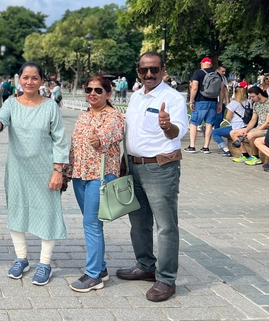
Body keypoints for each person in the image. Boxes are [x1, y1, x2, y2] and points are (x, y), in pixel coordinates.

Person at [0, 62, 69, 286]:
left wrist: (58, 170)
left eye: (34, 78)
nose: (29, 82)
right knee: (17, 212)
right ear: (18, 79)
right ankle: (21, 258)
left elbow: (60, 139)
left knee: (47, 213)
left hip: (45, 170)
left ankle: (45, 263)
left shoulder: (50, 107)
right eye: (25, 77)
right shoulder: (11, 104)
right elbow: (2, 123)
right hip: (18, 170)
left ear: (42, 81)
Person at [117, 51, 188, 303]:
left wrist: (167, 125)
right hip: (133, 166)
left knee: (166, 226)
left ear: (162, 70)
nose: (149, 74)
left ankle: (167, 279)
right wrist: (124, 161)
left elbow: (176, 134)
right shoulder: (136, 96)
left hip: (160, 169)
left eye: (154, 70)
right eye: (143, 70)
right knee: (139, 222)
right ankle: (146, 266)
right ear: (137, 71)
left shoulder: (172, 98)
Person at [67, 75, 125, 292]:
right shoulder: (83, 116)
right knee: (91, 222)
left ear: (108, 93)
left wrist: (99, 140)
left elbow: (112, 135)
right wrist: (66, 172)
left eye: (98, 90)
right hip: (79, 175)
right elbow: (74, 146)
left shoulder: (115, 117)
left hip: (100, 177)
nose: (92, 93)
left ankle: (93, 276)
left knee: (91, 224)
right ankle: (100, 268)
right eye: (89, 89)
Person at [230, 86, 269, 165]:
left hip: (268, 129)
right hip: (259, 127)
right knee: (233, 133)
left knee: (251, 134)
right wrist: (246, 129)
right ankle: (245, 155)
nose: (251, 98)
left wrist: (255, 131)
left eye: (253, 96)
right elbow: (253, 120)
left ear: (259, 94)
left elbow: (267, 123)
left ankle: (256, 157)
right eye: (250, 96)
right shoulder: (256, 104)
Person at [185, 57, 222, 154]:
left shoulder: (198, 73)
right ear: (211, 64)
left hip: (200, 101)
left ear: (202, 64)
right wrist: (220, 103)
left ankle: (192, 146)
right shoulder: (217, 74)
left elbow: (195, 88)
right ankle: (206, 147)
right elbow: (221, 90)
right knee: (209, 124)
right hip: (213, 101)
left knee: (194, 123)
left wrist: (191, 101)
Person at [211, 86, 248, 157]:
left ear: (235, 93)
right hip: (246, 125)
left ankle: (226, 149)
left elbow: (228, 117)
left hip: (236, 126)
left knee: (215, 132)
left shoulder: (234, 103)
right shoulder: (248, 102)